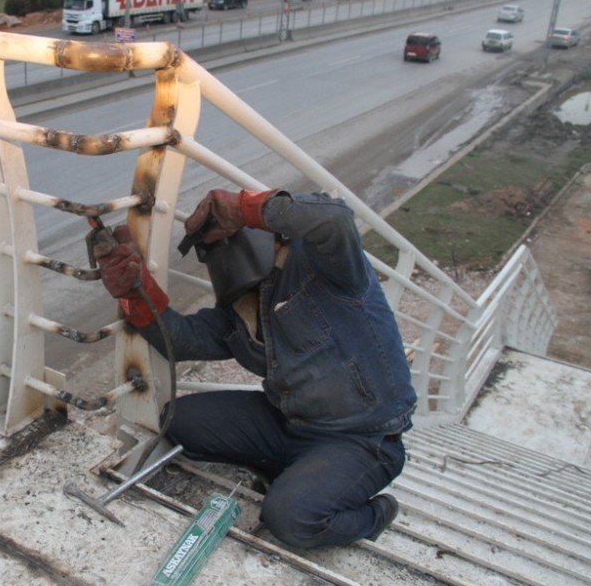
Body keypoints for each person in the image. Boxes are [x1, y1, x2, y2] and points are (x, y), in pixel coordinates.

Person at [92, 189, 417, 549]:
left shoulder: (326, 267)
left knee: (292, 518)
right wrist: (136, 292)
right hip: (287, 425)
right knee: (179, 420)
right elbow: (180, 340)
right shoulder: (238, 314)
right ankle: (292, 473)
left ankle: (374, 516)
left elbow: (334, 218)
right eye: (211, 247)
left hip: (361, 439)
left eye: (226, 238)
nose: (222, 252)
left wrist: (246, 208)